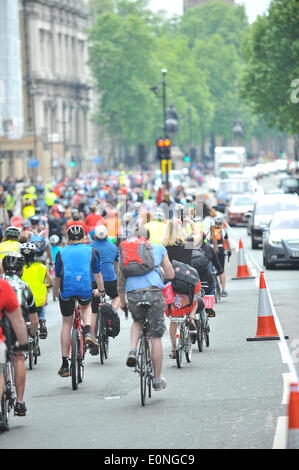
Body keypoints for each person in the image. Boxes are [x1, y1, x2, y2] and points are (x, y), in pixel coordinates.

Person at [118, 226, 174, 391]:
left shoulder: (126, 250)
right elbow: (170, 274)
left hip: (133, 293)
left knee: (137, 321)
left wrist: (122, 301)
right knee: (155, 336)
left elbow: (120, 277)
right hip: (154, 293)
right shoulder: (158, 248)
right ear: (148, 237)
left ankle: (133, 350)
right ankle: (157, 380)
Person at [54, 224, 105, 377]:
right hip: (84, 287)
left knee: (66, 323)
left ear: (68, 239)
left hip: (66, 289)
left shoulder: (61, 252)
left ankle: (64, 363)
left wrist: (56, 292)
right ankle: (88, 332)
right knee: (86, 306)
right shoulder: (92, 251)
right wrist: (101, 290)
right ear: (84, 237)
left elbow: (57, 277)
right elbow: (97, 275)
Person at [161, 219, 202, 357]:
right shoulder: (187, 243)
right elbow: (199, 235)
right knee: (196, 297)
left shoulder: (164, 247)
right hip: (189, 281)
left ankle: (174, 349)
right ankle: (191, 317)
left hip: (172, 284)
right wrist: (191, 223)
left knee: (173, 318)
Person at [0, 277, 28, 430]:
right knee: (17, 358)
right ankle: (20, 401)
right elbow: (18, 320)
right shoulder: (5, 286)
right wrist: (22, 344)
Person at [91, 225, 120, 342]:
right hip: (110, 279)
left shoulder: (89, 247)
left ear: (94, 236)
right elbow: (116, 266)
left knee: (93, 311)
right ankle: (111, 311)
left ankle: (91, 337)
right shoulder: (113, 247)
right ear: (107, 236)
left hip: (93, 280)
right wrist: (118, 278)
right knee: (117, 296)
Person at [20, 242, 52, 339]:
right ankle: (42, 322)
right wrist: (49, 285)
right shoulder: (42, 267)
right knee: (40, 305)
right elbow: (50, 281)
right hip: (38, 300)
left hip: (23, 301)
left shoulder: (19, 268)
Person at [213, 216, 232, 297]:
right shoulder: (223, 231)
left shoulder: (211, 230)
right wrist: (229, 251)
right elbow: (227, 243)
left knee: (210, 269)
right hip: (220, 250)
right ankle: (223, 290)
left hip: (211, 249)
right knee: (221, 270)